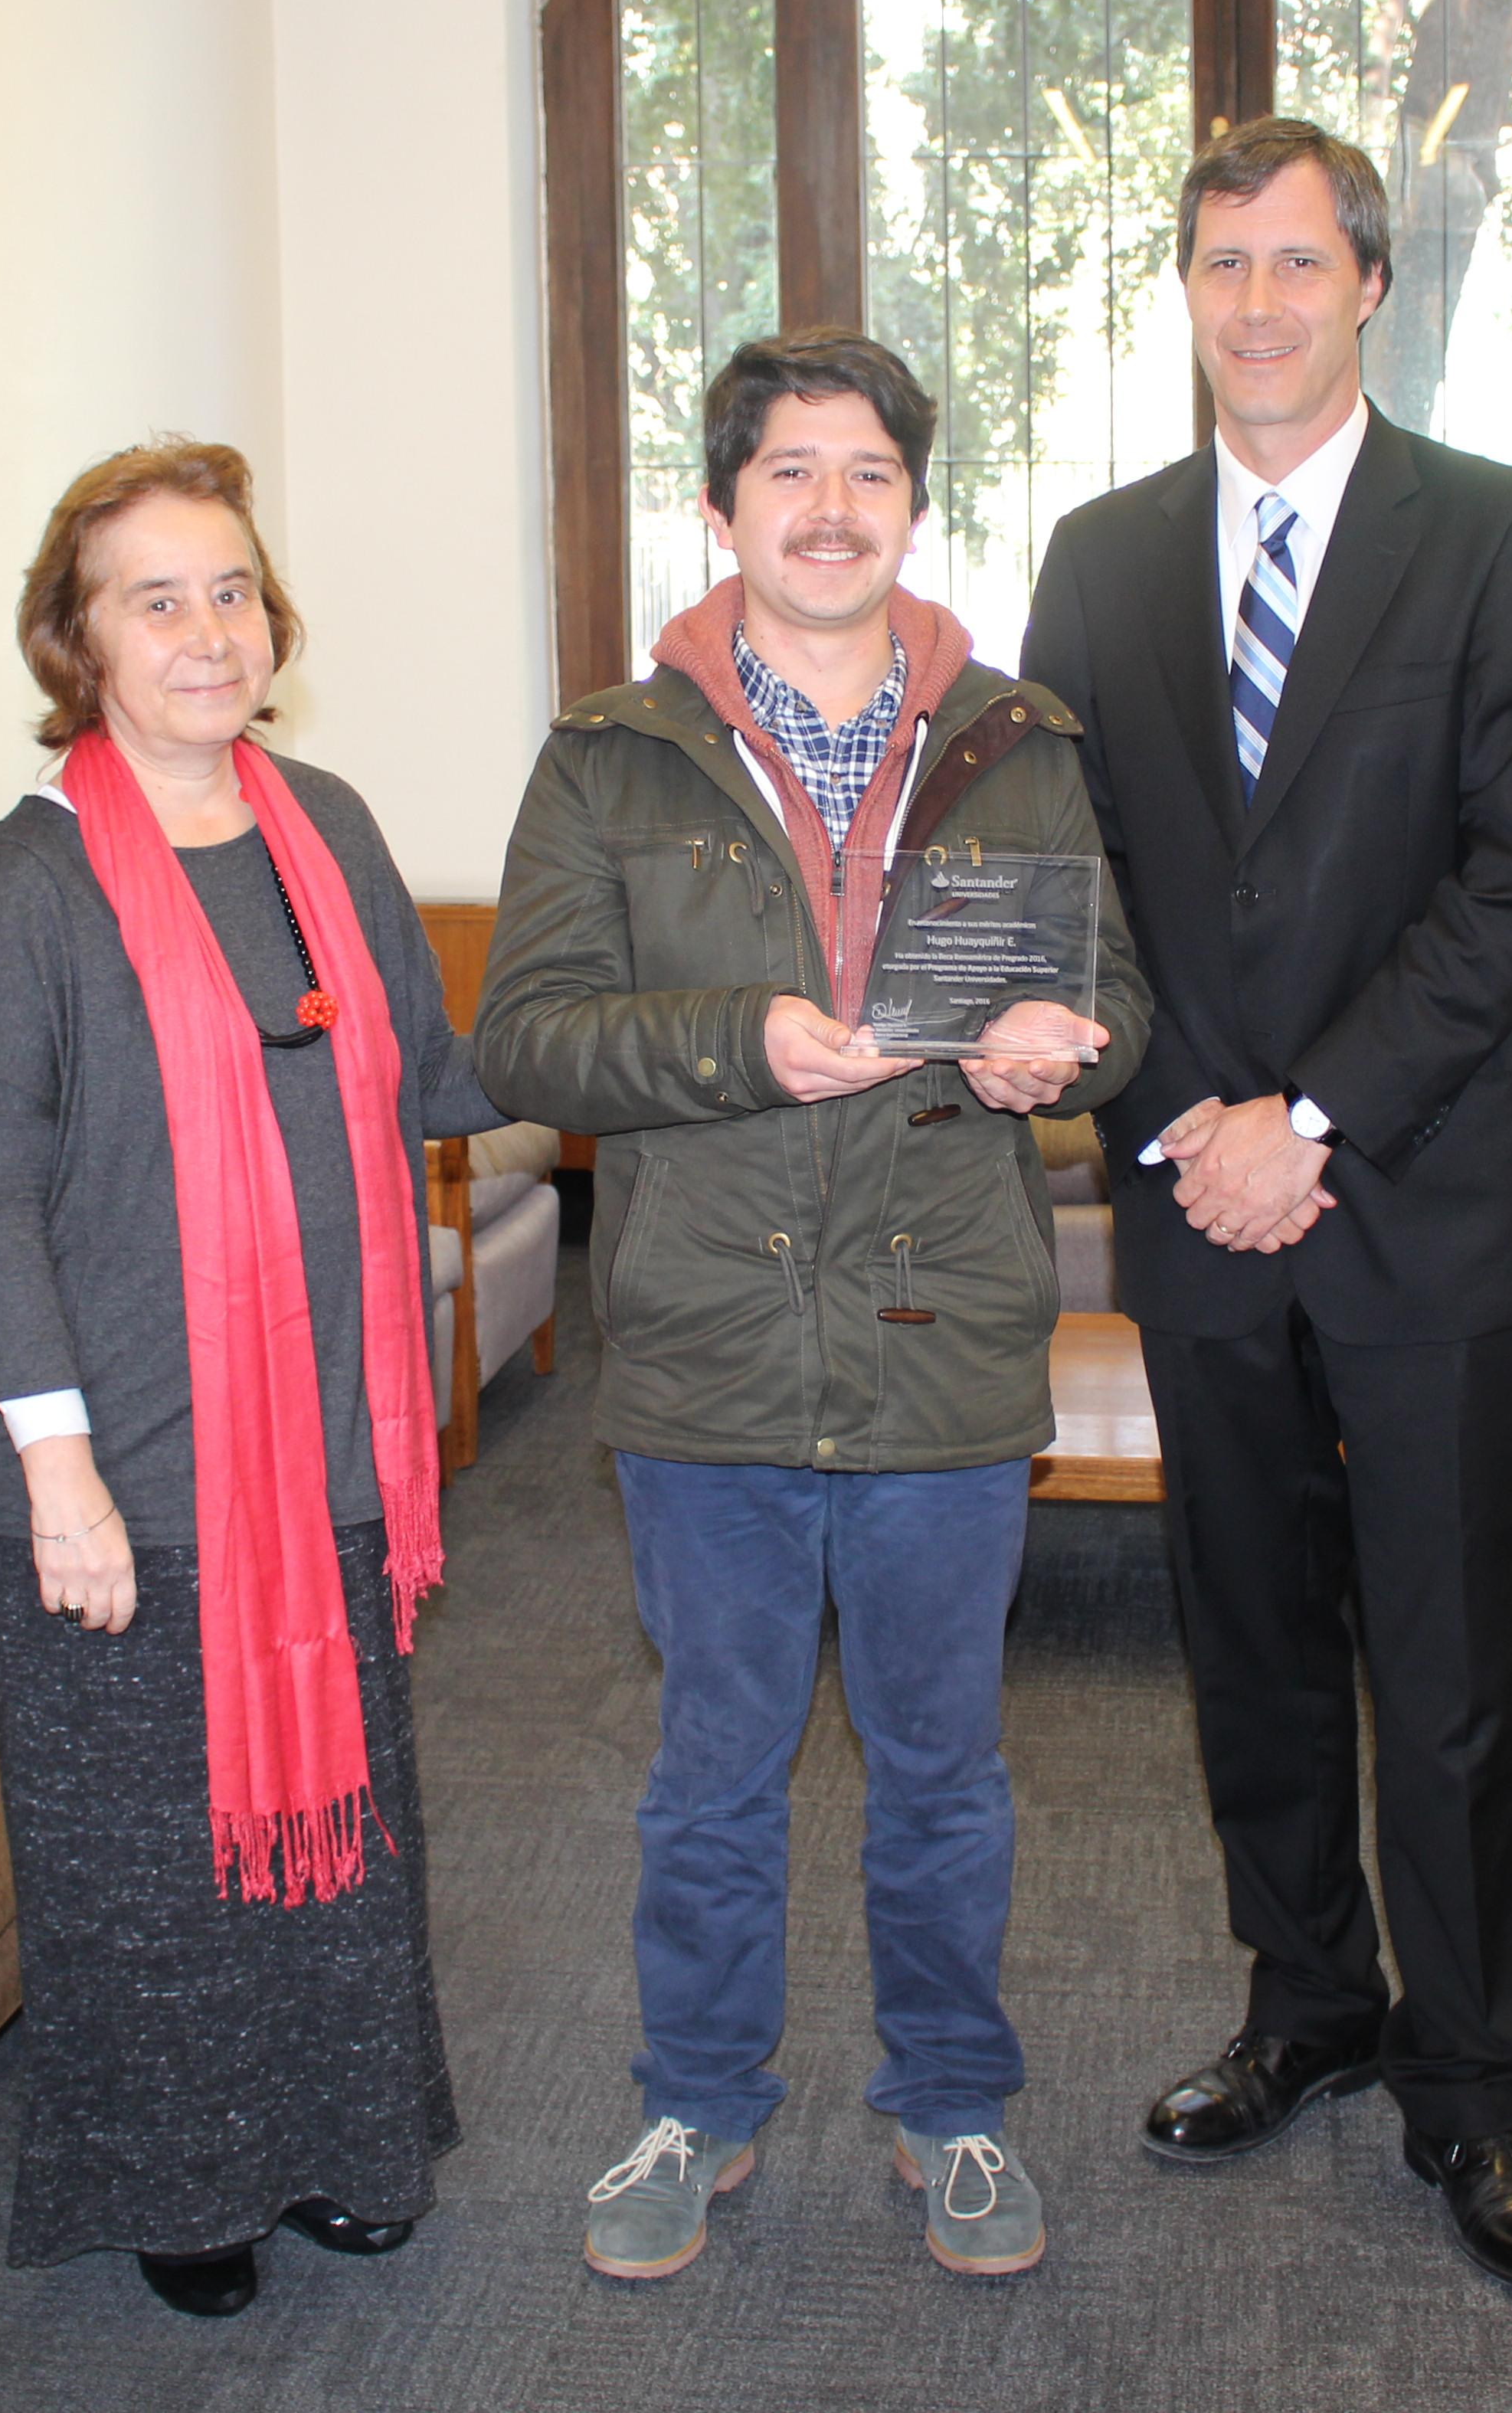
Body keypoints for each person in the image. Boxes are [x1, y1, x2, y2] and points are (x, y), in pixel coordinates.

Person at [479, 328, 1148, 2285]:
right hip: (707, 1346)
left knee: (944, 1773)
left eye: (869, 471)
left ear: (913, 507)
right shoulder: (612, 753)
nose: (832, 507)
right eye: (791, 471)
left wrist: (1068, 1049)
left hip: (946, 1337)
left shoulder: (1025, 744)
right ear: (723, 507)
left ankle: (952, 2106)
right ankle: (697, 2099)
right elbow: (528, 1033)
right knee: (713, 1773)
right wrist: (737, 1041)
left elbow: (1132, 1005)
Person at [1019, 120, 1512, 2294]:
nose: (1255, 303)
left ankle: (1474, 2089)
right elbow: (1069, 884)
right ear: (1182, 295)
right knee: (1248, 1645)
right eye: (1217, 265)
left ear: (1372, 284)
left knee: (1446, 1672)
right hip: (1194, 1199)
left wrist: (1315, 1121)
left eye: (1295, 262)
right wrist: (1196, 1122)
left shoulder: (1505, 540)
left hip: (1425, 1199)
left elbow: (1511, 880)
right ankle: (1306, 2004)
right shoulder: (1096, 558)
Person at [0, 438, 499, 2319]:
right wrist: (61, 1475)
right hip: (114, 1472)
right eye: (154, 599)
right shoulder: (33, 883)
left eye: (231, 588)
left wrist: (682, 1042)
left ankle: (337, 2143)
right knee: (153, 1874)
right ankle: (184, 2182)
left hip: (318, 1445)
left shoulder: (321, 826)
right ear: (77, 645)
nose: (207, 629)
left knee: (336, 1836)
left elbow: (430, 1071)